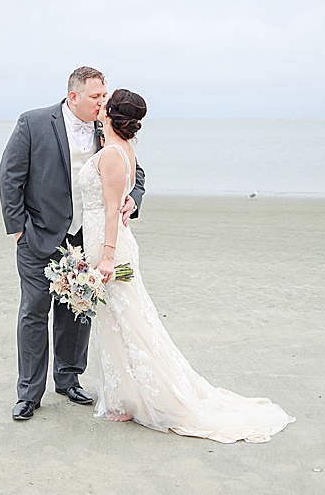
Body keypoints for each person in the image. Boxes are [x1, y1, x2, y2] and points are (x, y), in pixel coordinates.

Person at [80, 88, 295, 442]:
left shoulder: (112, 156)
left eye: (105, 101)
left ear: (111, 114)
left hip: (110, 246)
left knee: (130, 323)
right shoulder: (120, 149)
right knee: (117, 322)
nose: (99, 104)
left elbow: (108, 209)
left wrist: (105, 257)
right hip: (103, 239)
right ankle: (124, 399)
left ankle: (147, 398)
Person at [0, 67, 145, 421]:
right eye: (96, 97)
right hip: (39, 236)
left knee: (78, 312)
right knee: (34, 312)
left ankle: (68, 379)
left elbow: (134, 172)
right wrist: (19, 229)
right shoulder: (32, 123)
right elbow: (10, 176)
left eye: (105, 96)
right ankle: (29, 393)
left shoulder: (106, 127)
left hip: (86, 238)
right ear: (74, 96)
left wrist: (133, 198)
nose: (103, 102)